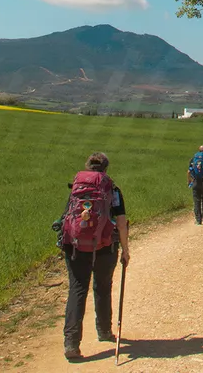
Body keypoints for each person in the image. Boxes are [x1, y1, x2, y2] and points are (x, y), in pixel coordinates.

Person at [58, 151, 130, 362]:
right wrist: (126, 250)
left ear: (87, 167)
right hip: (105, 246)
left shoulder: (77, 187)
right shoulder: (112, 189)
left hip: (75, 246)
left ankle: (71, 343)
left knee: (77, 289)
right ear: (106, 168)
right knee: (103, 287)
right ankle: (104, 331)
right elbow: (121, 222)